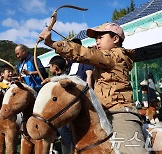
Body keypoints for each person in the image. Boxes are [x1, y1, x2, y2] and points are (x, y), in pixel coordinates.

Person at [39, 22, 148, 153]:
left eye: (101, 37)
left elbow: (86, 53)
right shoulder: (104, 59)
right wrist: (55, 81)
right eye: (96, 38)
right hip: (101, 114)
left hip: (121, 113)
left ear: (115, 39)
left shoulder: (116, 56)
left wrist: (52, 43)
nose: (97, 41)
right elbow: (80, 82)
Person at [41, 55, 72, 154]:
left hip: (64, 115)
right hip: (59, 114)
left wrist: (51, 80)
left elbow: (64, 79)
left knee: (64, 133)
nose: (49, 69)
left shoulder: (66, 78)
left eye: (50, 66)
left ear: (55, 67)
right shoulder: (57, 79)